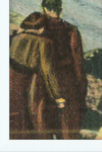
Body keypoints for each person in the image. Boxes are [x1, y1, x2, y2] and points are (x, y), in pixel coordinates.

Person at [10, 12, 65, 140]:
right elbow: (48, 71)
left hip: (11, 82)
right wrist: (57, 97)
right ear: (42, 28)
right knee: (34, 122)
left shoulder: (16, 37)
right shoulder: (44, 43)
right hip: (29, 86)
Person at [40, 0, 87, 139]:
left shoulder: (41, 30)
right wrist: (81, 90)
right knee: (67, 132)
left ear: (45, 9)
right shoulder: (71, 31)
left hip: (44, 85)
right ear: (60, 9)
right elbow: (78, 64)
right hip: (67, 84)